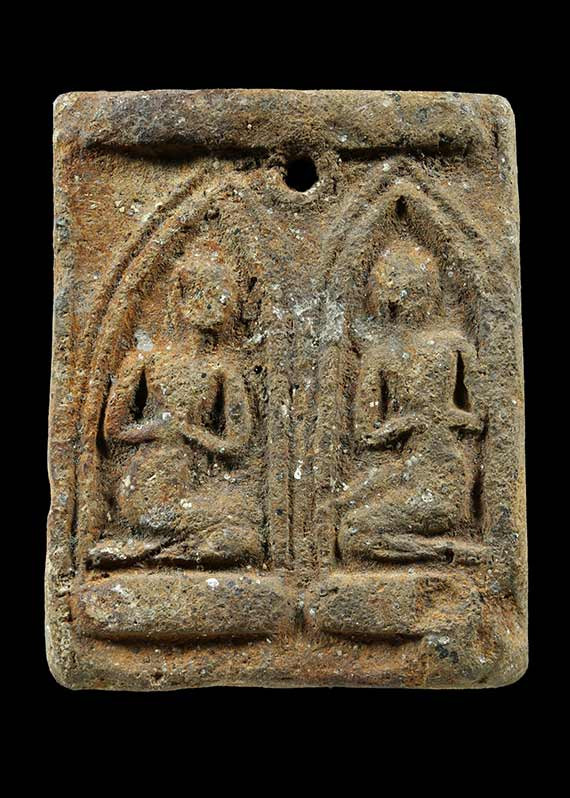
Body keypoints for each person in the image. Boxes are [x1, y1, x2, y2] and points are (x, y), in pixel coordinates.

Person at [89, 245, 263, 568]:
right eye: (205, 292)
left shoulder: (223, 370)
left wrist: (192, 433)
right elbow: (112, 429)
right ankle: (161, 547)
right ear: (182, 300)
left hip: (194, 483)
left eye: (223, 294)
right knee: (240, 532)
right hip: (147, 484)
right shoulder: (145, 360)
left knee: (249, 521)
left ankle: (157, 549)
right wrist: (158, 429)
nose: (216, 303)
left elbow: (238, 442)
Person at [336, 240, 486, 565]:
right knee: (345, 522)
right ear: (386, 297)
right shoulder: (379, 356)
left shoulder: (455, 347)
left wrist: (442, 417)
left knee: (353, 535)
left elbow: (478, 420)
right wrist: (410, 423)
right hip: (403, 470)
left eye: (417, 289)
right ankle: (444, 552)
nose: (409, 298)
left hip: (443, 471)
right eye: (403, 290)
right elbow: (366, 433)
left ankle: (449, 553)